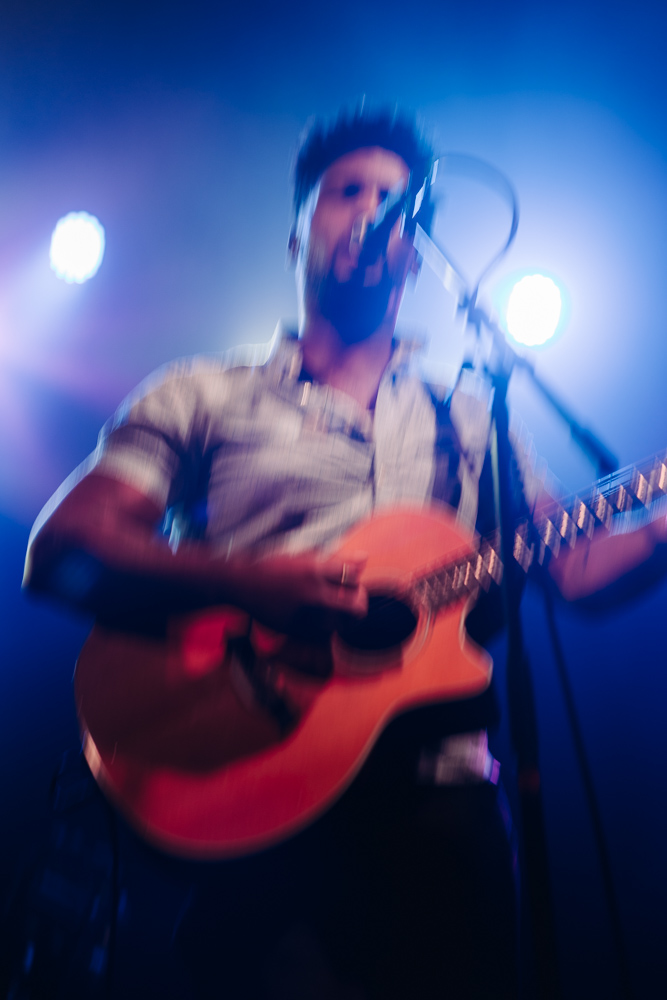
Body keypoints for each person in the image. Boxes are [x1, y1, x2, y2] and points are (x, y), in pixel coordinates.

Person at [24, 108, 667, 999]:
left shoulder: (474, 416)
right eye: (345, 193)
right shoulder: (202, 393)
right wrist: (259, 585)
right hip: (262, 798)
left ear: (417, 249)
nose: (371, 212)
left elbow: (575, 570)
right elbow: (63, 548)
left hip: (447, 811)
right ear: (296, 237)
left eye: (395, 201)